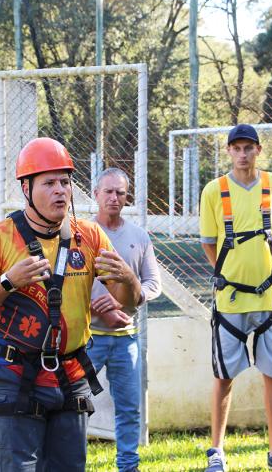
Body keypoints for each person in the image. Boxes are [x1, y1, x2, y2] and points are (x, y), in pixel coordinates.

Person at [0, 137, 141, 471]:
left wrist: (130, 280)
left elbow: (129, 303)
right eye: (49, 183)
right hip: (14, 376)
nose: (60, 190)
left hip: (70, 376)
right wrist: (8, 281)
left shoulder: (89, 236)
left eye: (65, 182)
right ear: (26, 188)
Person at [199, 124, 272, 472]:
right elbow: (208, 242)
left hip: (270, 299)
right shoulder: (214, 190)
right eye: (236, 148)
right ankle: (216, 451)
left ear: (259, 150)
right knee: (224, 376)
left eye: (249, 147)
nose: (242, 154)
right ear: (228, 151)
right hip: (230, 302)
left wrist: (267, 271)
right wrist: (228, 276)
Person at [87, 167, 162, 472]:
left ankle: (128, 467)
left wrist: (129, 300)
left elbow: (153, 284)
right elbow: (64, 285)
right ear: (96, 195)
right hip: (87, 338)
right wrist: (97, 306)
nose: (114, 197)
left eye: (120, 192)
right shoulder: (81, 235)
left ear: (127, 197)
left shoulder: (138, 236)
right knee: (75, 408)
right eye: (108, 191)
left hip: (126, 339)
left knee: (130, 411)